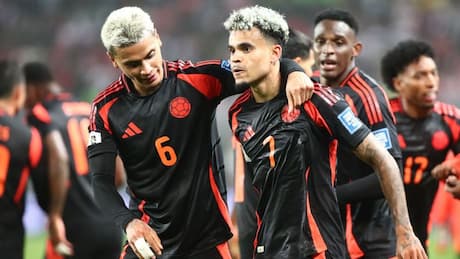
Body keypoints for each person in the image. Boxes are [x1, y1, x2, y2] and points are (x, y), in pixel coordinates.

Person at [88, 6, 313, 259]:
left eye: (150, 55)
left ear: (158, 38)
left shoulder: (197, 80)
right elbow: (101, 181)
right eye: (132, 63)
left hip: (206, 240)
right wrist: (129, 223)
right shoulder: (105, 108)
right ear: (112, 59)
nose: (146, 68)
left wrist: (294, 71)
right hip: (149, 238)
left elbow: (260, 67)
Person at [225, 5, 425, 259]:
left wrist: (405, 232)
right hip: (270, 249)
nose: (235, 57)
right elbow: (260, 189)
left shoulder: (317, 100)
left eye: (246, 48)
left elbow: (385, 160)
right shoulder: (238, 113)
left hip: (319, 248)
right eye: (232, 49)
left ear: (275, 53)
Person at [312, 8, 416, 258]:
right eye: (320, 42)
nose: (328, 49)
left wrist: (326, 197)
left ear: (355, 49)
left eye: (338, 42)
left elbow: (390, 171)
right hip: (330, 233)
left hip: (370, 239)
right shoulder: (310, 86)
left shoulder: (368, 97)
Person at [231, 26, 317, 259]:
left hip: (250, 218)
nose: (313, 76)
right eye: (311, 67)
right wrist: (296, 70)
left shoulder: (246, 113)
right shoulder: (246, 112)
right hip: (267, 224)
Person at [23, 61, 124, 258]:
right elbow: (119, 176)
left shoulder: (42, 116)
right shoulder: (89, 110)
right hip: (111, 226)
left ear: (33, 89)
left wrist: (54, 215)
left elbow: (59, 158)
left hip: (74, 226)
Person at [380, 39, 460, 250]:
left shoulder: (450, 119)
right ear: (398, 84)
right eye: (420, 76)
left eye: (433, 73)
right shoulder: (381, 117)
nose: (431, 82)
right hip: (374, 231)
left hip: (419, 232)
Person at [0, 60, 69, 259]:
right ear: (18, 92)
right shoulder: (28, 136)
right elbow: (44, 184)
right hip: (7, 239)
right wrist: (55, 214)